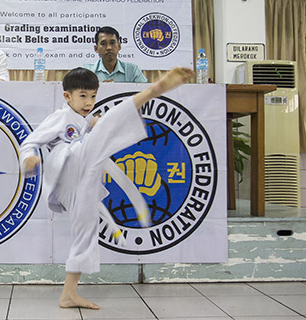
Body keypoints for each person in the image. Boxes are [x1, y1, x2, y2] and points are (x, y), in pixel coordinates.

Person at [19, 66, 194, 309]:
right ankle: (154, 90)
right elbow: (29, 142)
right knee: (107, 126)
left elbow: (87, 126)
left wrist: (92, 124)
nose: (89, 102)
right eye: (82, 96)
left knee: (87, 233)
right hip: (66, 165)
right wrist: (29, 160)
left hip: (81, 180)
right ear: (67, 96)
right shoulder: (59, 117)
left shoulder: (85, 119)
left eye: (93, 96)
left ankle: (68, 293)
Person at [83, 26, 147, 83]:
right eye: (103, 43)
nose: (109, 48)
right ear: (96, 49)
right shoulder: (87, 72)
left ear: (119, 46)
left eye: (112, 43)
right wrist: (100, 88)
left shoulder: (133, 70)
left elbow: (144, 93)